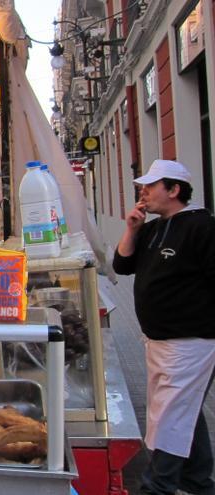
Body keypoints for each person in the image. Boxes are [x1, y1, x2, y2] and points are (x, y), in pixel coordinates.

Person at [112, 159, 215, 495]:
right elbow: (122, 265)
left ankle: (157, 486)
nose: (143, 192)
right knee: (183, 408)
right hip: (157, 340)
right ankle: (198, 481)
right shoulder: (154, 227)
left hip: (190, 341)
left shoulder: (203, 227)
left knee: (169, 417)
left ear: (174, 190)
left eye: (151, 186)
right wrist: (131, 227)